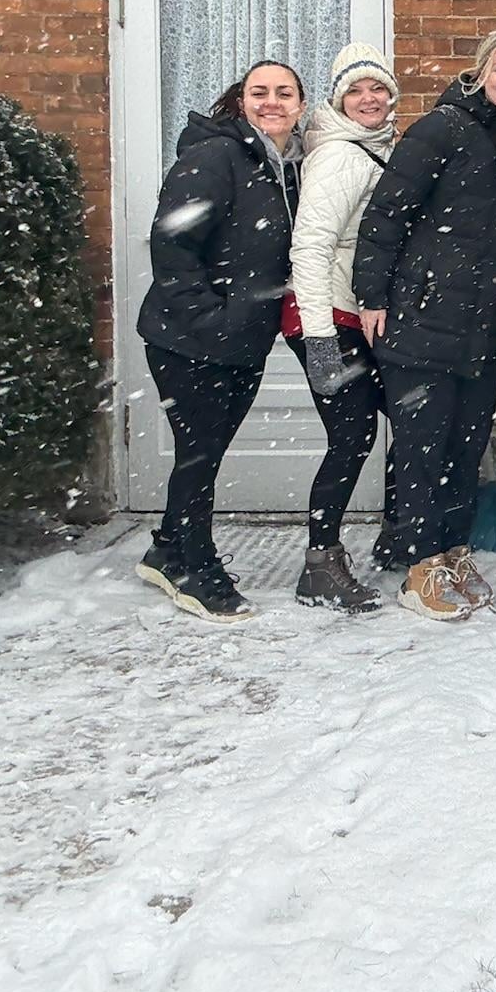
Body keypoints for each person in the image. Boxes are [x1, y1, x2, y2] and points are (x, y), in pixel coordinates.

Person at [352, 25, 496, 621]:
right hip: (423, 319)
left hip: (483, 324)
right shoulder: (441, 128)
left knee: (465, 446)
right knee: (421, 449)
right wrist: (372, 296)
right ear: (479, 72)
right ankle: (418, 565)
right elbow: (385, 216)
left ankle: (453, 550)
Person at [135, 60, 310, 622]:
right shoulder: (216, 156)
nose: (272, 102)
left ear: (301, 106)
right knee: (200, 454)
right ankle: (193, 567)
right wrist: (208, 318)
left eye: (284, 93)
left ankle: (167, 546)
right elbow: (173, 243)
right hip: (189, 340)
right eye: (260, 92)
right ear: (241, 101)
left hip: (240, 339)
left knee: (205, 452)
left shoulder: (287, 165)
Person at [286, 42, 403, 614]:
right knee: (353, 435)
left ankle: (397, 534)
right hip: (325, 315)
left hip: (349, 312)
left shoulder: (373, 148)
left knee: (402, 418)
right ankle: (320, 562)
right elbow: (310, 246)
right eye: (355, 90)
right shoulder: (339, 155)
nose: (368, 98)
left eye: (377, 88)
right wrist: (320, 340)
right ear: (338, 101)